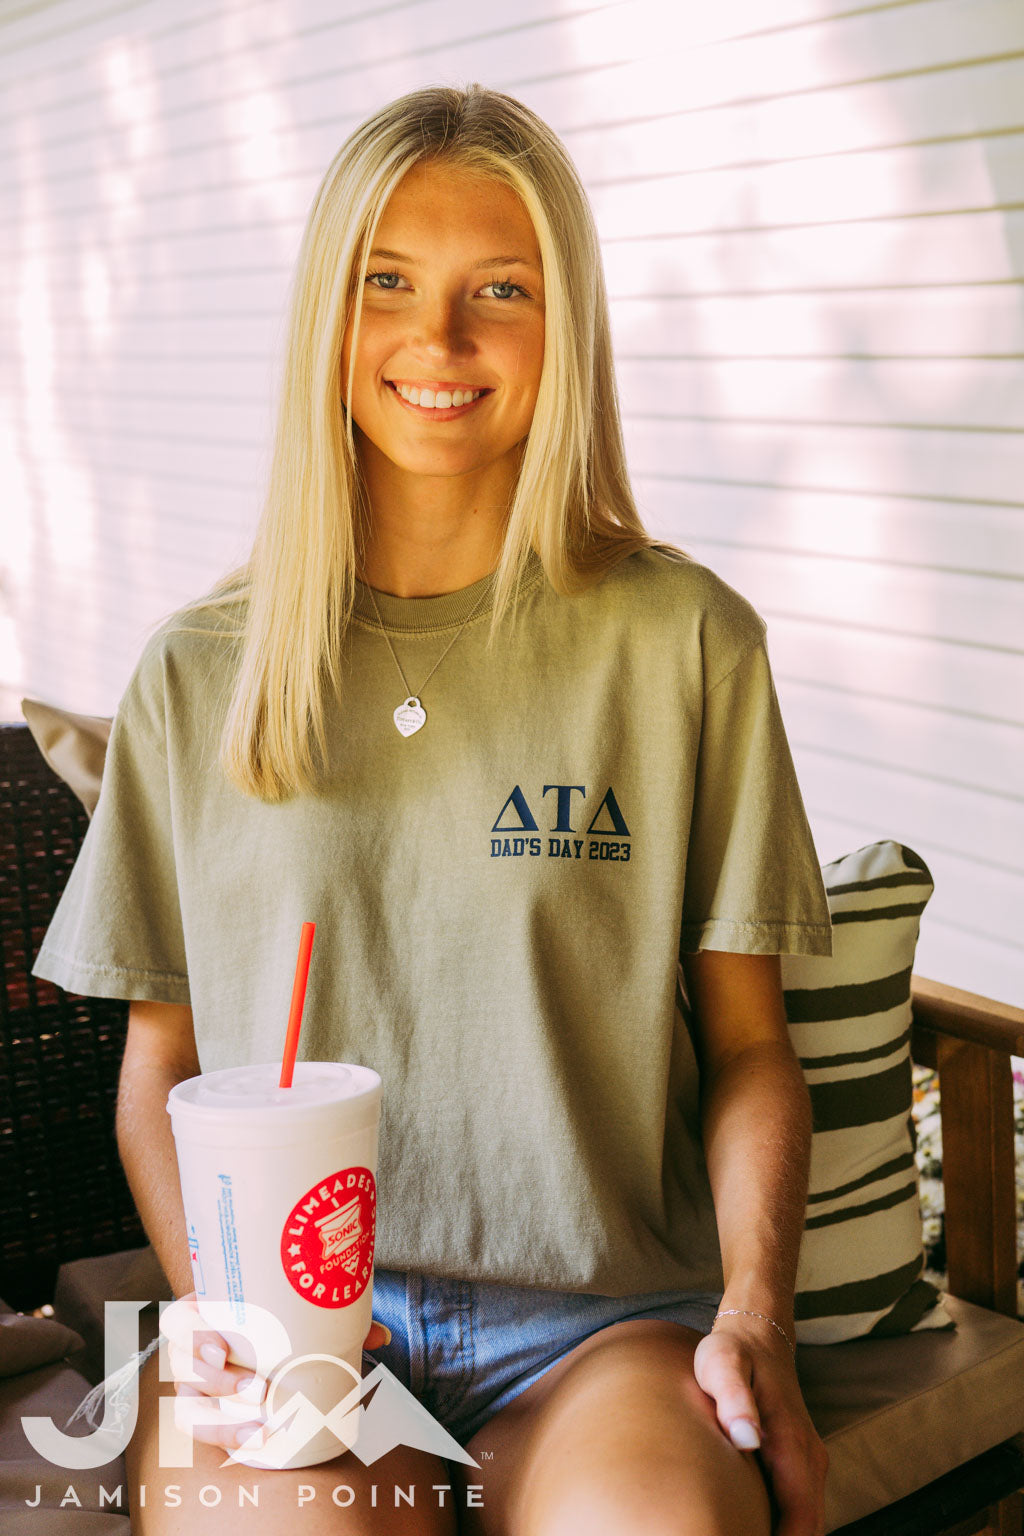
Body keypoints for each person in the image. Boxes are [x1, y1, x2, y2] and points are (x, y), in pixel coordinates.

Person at [33, 84, 833, 1536]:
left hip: (607, 1332)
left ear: (566, 326)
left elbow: (752, 1051)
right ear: (327, 317)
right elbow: (164, 1067)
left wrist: (759, 1320)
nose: (439, 341)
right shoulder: (197, 670)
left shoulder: (686, 644)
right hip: (297, 1331)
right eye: (387, 281)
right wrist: (221, 1317)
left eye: (501, 291)